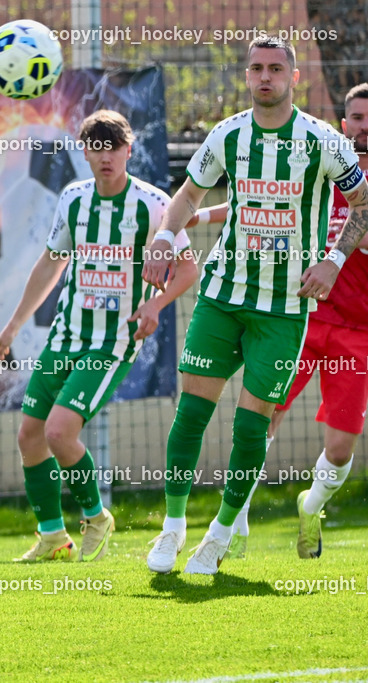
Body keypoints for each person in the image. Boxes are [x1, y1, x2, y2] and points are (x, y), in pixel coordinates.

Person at [142, 37, 368, 576]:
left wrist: (334, 261)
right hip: (222, 296)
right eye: (256, 69)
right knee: (190, 415)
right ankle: (172, 530)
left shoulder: (323, 142)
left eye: (275, 69)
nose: (264, 77)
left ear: (293, 77)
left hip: (285, 311)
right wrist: (165, 236)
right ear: (247, 76)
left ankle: (218, 539)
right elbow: (189, 195)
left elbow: (363, 203)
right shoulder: (227, 134)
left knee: (251, 428)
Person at [0, 110, 199, 563]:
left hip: (112, 342)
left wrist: (154, 306)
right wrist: (12, 326)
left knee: (60, 432)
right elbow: (51, 262)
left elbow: (188, 272)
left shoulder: (154, 204)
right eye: (96, 148)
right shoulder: (73, 199)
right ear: (85, 152)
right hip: (65, 335)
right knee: (29, 435)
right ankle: (51, 537)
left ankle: (97, 516)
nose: (106, 157)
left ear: (128, 150)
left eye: (114, 147)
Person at [225, 83, 368, 560]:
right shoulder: (321, 172)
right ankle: (234, 523)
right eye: (357, 119)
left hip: (356, 335)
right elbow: (259, 203)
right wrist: (192, 216)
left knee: (343, 448)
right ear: (344, 126)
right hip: (300, 319)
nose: (364, 127)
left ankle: (312, 505)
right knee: (261, 419)